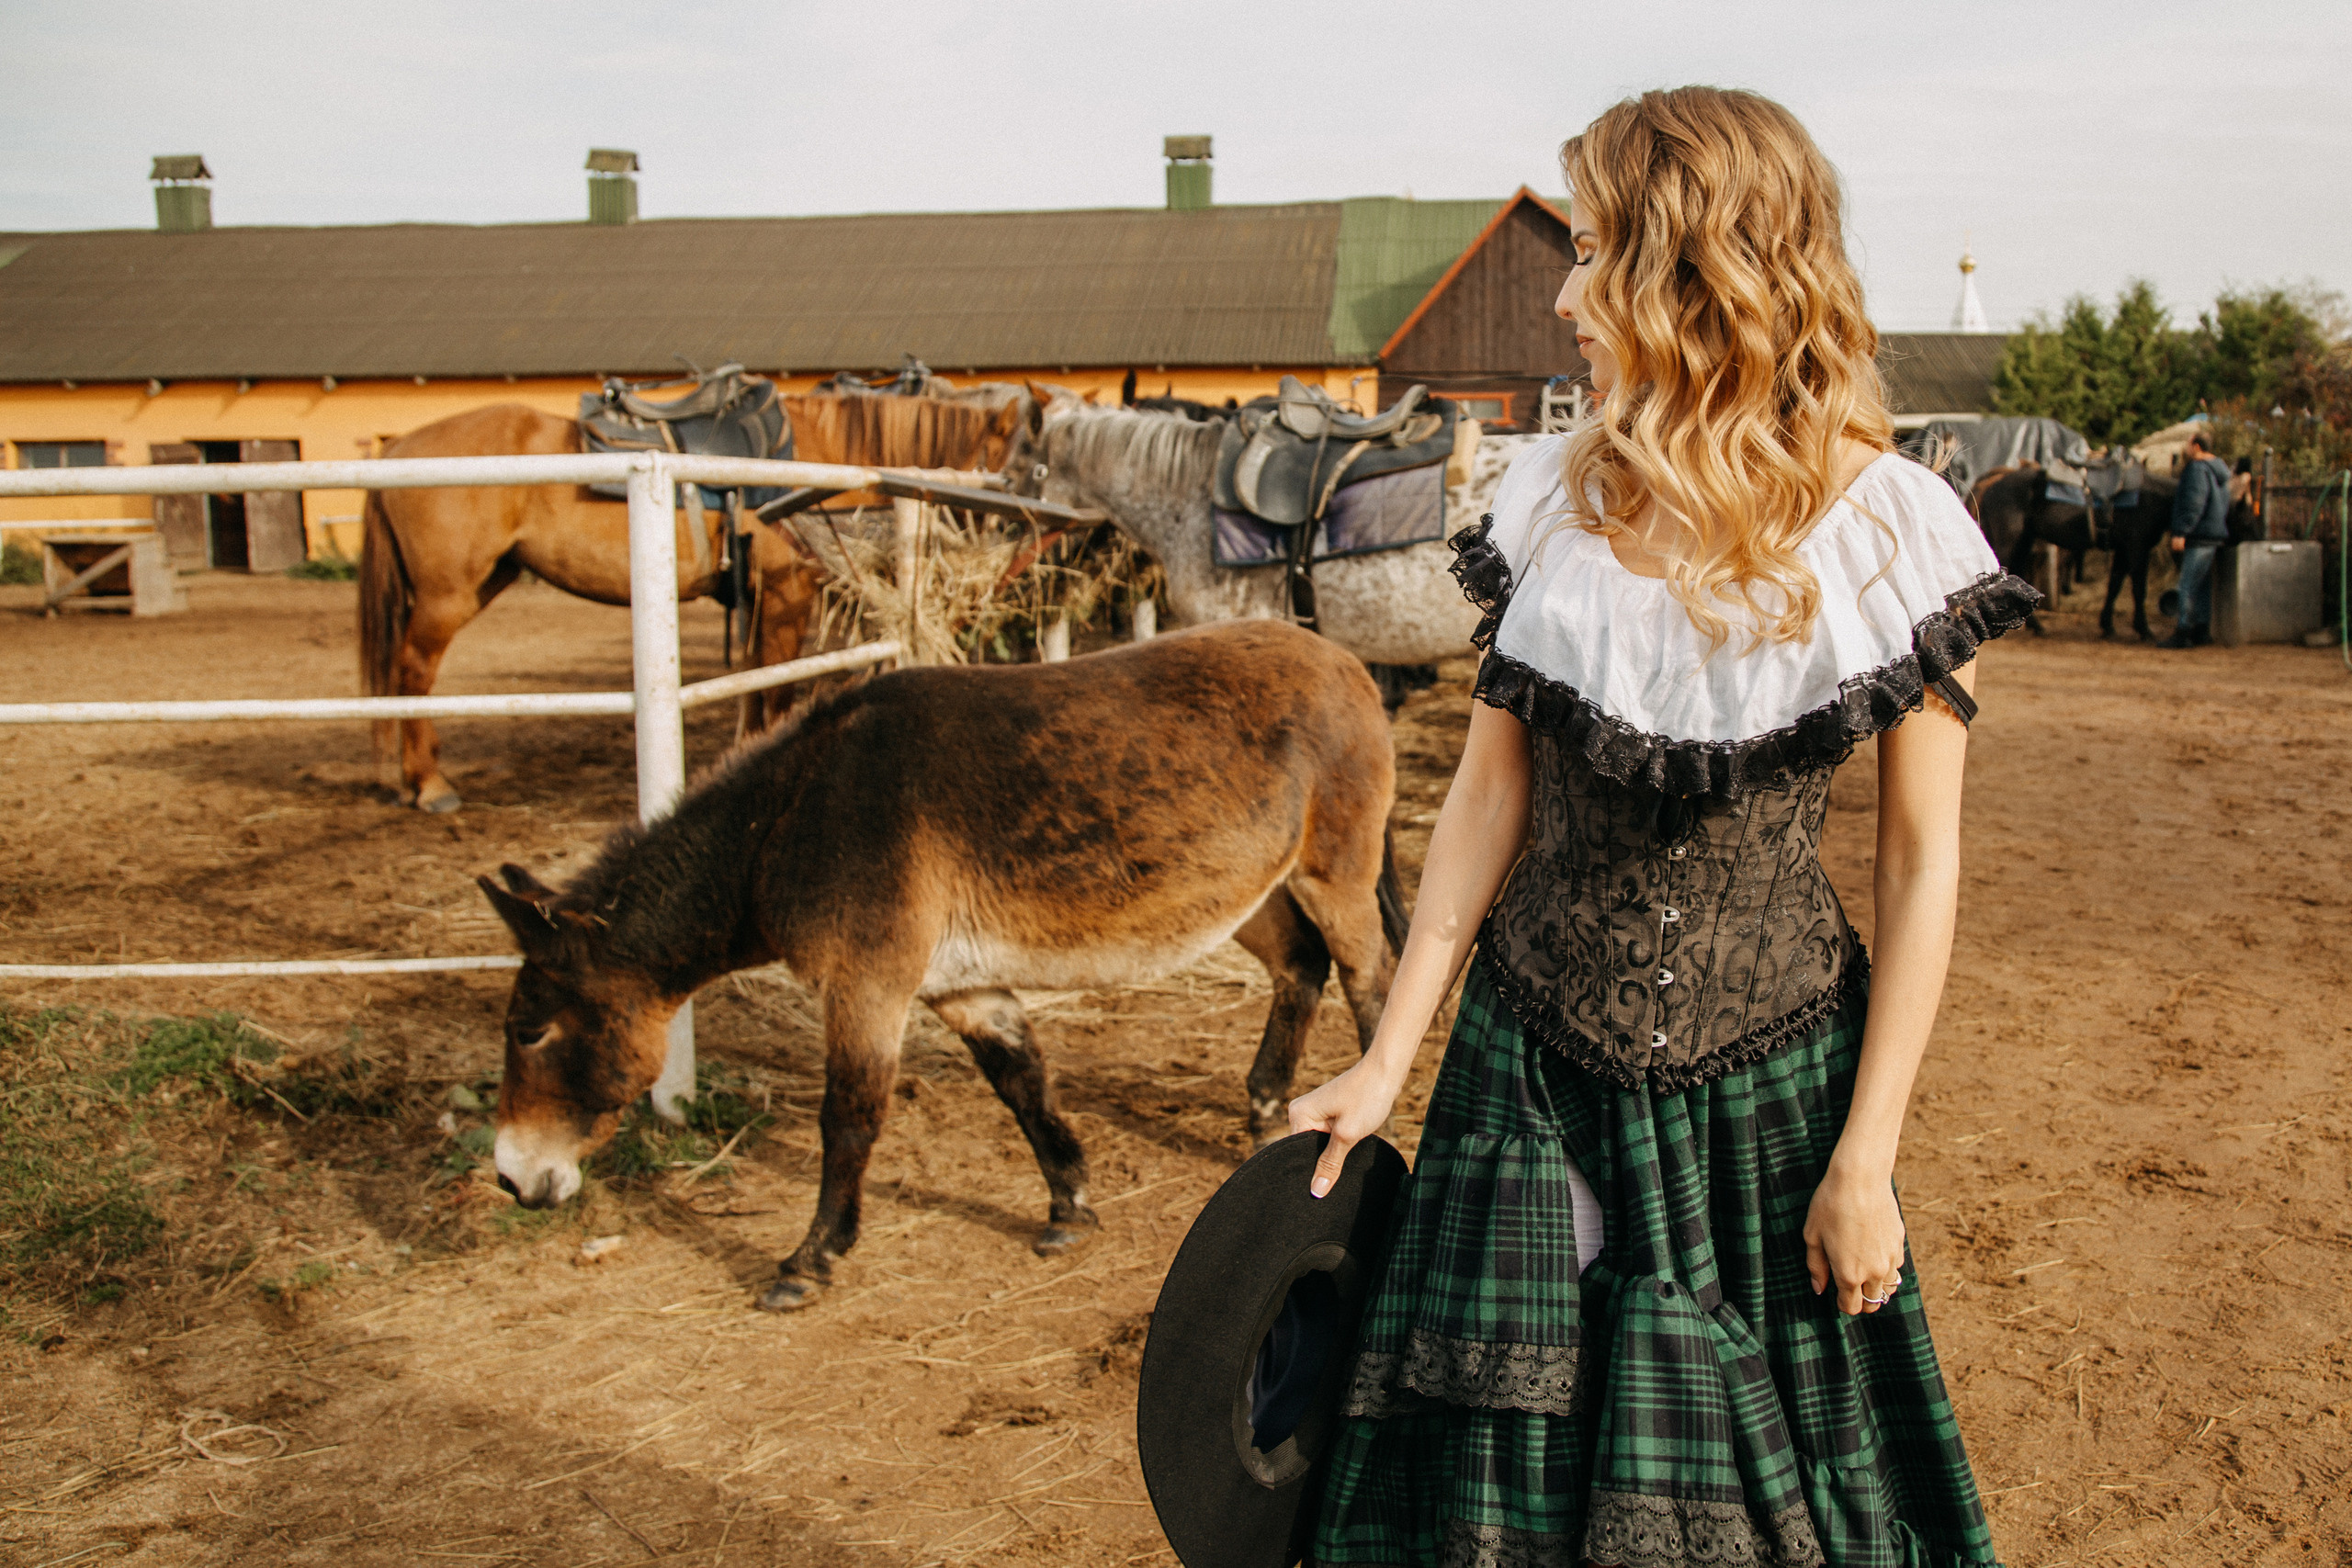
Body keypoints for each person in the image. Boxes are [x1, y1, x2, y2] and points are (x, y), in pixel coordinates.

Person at [1288, 87, 2033, 1568]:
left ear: (1693, 272)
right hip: (1530, 1067)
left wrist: (1866, 1158)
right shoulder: (1552, 497)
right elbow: (1491, 793)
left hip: (1772, 1093)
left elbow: (1917, 859)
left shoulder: (1895, 531)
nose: (1562, 295)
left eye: (1592, 253)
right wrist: (1387, 1058)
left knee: (1761, 1510)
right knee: (1509, 1492)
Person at [2160, 431, 2232, 649]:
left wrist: (2181, 531)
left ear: (2196, 446)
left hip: (2199, 535)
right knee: (2202, 585)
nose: (2186, 449)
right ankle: (2202, 630)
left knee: (2187, 585)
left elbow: (2194, 502)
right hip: (2212, 534)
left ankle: (2183, 631)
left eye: (2188, 444)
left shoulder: (2197, 469)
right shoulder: (2220, 470)